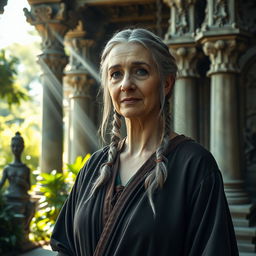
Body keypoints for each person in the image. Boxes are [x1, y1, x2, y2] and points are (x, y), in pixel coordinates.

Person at [50, 28, 239, 256]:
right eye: (116, 74)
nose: (126, 84)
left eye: (140, 71)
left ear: (166, 83)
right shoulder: (94, 166)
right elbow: (65, 246)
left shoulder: (194, 166)